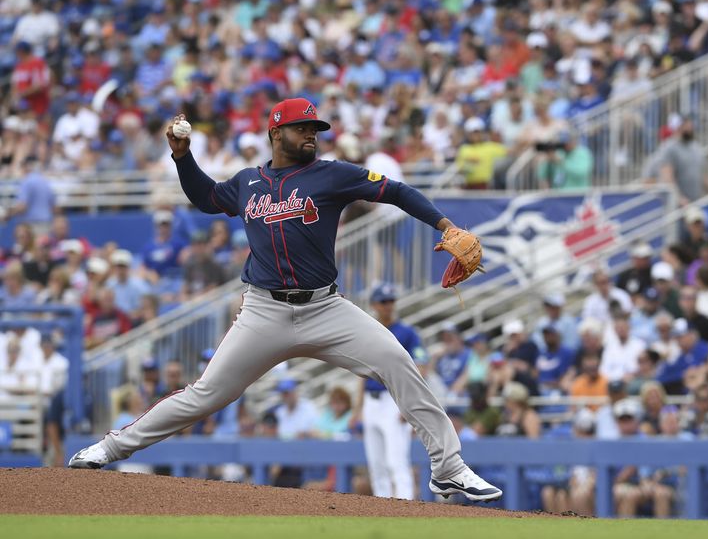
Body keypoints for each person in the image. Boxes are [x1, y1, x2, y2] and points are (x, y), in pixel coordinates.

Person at [68, 99, 501, 502]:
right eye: (303, 128)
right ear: (277, 133)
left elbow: (396, 191)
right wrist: (183, 157)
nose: (312, 134)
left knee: (397, 361)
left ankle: (448, 467)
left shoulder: (332, 174)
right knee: (205, 394)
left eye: (315, 128)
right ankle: (109, 448)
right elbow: (205, 198)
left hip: (326, 308)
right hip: (264, 311)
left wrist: (445, 225)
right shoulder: (247, 182)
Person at [350, 283, 426, 500]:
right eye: (384, 301)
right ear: (374, 304)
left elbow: (420, 366)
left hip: (394, 399)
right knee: (376, 464)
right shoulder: (369, 331)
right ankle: (382, 509)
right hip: (371, 401)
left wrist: (409, 403)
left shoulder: (407, 333)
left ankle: (405, 508)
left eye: (391, 300)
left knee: (396, 461)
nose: (388, 305)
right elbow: (362, 371)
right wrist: (357, 410)